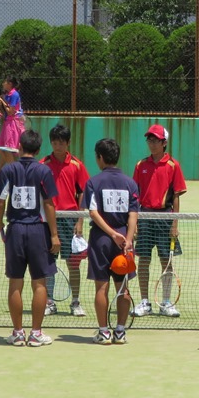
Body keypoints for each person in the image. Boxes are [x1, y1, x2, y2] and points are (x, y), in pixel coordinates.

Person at [0, 129, 59, 347]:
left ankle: (18, 333)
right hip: (38, 231)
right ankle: (36, 333)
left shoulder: (8, 169)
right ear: (39, 150)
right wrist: (54, 235)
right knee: (39, 284)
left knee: (15, 283)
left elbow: (1, 201)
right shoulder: (44, 170)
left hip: (15, 230)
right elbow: (49, 204)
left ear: (20, 147)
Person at [82, 138, 139, 344]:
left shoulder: (93, 182)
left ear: (100, 157)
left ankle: (104, 332)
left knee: (101, 287)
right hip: (124, 241)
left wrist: (111, 234)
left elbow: (93, 212)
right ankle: (120, 332)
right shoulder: (130, 183)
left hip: (101, 239)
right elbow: (133, 214)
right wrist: (127, 239)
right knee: (123, 287)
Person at [132, 124, 187, 318]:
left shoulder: (173, 165)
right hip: (145, 217)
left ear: (164, 143)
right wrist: (135, 222)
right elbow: (135, 196)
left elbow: (177, 196)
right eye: (149, 140)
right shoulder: (140, 165)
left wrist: (175, 223)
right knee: (143, 260)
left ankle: (166, 302)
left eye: (155, 140)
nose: (152, 143)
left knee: (166, 261)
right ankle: (145, 302)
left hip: (165, 218)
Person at [41, 124, 91, 317]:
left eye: (61, 142)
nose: (58, 146)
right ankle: (49, 302)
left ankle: (75, 302)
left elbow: (83, 192)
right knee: (48, 263)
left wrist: (80, 220)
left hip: (70, 219)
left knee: (73, 264)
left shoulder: (77, 165)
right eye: (54, 142)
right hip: (48, 219)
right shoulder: (43, 164)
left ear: (68, 143)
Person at [0, 77, 25, 170]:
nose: (3, 84)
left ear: (10, 84)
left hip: (13, 124)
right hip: (7, 123)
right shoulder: (7, 95)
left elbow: (11, 112)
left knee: (8, 149)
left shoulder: (14, 94)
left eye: (5, 82)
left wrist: (3, 102)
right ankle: (3, 170)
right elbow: (5, 114)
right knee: (1, 149)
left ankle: (14, 170)